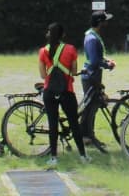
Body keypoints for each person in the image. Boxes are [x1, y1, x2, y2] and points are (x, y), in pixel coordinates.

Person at [39, 22, 88, 168]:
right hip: (66, 91)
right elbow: (73, 71)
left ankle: (54, 157)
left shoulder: (43, 51)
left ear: (49, 34)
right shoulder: (71, 49)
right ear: (63, 35)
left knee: (52, 124)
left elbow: (43, 75)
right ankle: (83, 156)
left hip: (49, 91)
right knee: (74, 123)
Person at [80, 10, 115, 145]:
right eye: (105, 21)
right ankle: (87, 136)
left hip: (91, 75)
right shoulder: (92, 39)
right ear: (100, 23)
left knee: (90, 107)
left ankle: (87, 136)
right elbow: (94, 61)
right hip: (91, 76)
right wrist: (107, 65)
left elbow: (95, 57)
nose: (107, 24)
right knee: (90, 108)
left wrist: (105, 60)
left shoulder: (92, 36)